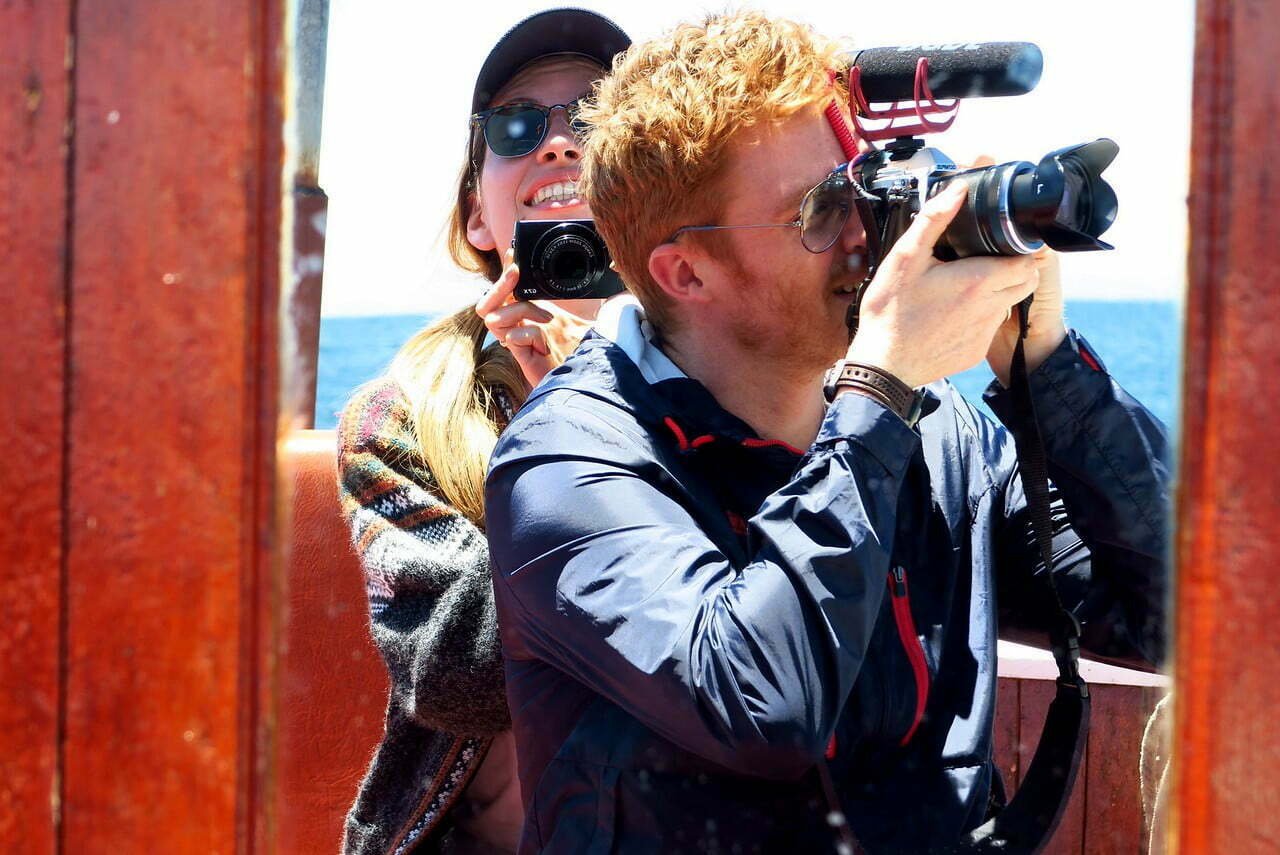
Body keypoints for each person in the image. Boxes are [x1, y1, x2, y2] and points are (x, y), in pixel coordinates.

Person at [484, 11, 1168, 854]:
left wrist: (1049, 365)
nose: (863, 236)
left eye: (860, 190)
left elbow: (1174, 611)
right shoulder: (568, 462)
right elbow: (761, 701)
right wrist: (881, 387)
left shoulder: (936, 434)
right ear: (685, 271)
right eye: (819, 211)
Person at [335, 10, 629, 854]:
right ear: (475, 216)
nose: (561, 143)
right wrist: (575, 426)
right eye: (517, 124)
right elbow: (450, 674)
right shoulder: (403, 418)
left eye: (600, 116)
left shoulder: (752, 372)